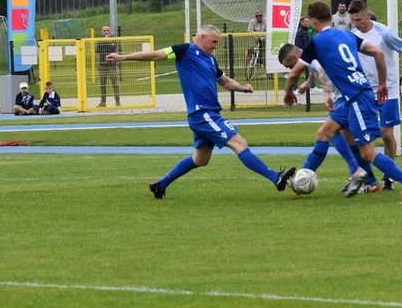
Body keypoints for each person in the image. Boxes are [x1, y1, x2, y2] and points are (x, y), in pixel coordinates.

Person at [106, 24, 296, 198]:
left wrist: (242, 88)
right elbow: (156, 55)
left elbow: (224, 80)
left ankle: (161, 185)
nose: (215, 46)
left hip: (205, 115)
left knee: (201, 159)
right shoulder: (184, 51)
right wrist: (123, 57)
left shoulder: (211, 60)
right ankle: (276, 177)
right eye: (213, 42)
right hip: (203, 113)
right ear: (202, 37)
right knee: (239, 143)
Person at [283, 1, 402, 204]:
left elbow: (294, 72)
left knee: (368, 152)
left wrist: (288, 92)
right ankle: (304, 181)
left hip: (358, 97)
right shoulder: (348, 35)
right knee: (325, 132)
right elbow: (377, 53)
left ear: (313, 22)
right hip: (353, 97)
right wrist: (383, 82)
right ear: (330, 18)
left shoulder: (316, 42)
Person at [349, 0, 402, 191]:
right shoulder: (352, 35)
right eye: (353, 20)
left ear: (368, 15)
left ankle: (389, 176)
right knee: (364, 137)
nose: (356, 23)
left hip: (388, 90)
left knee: (386, 135)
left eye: (359, 19)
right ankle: (367, 178)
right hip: (365, 91)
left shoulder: (384, 33)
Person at [278, 43, 379, 193]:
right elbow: (317, 66)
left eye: (290, 65)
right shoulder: (312, 54)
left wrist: (326, 94)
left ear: (294, 57)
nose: (291, 69)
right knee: (349, 138)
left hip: (346, 97)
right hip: (350, 95)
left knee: (325, 133)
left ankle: (304, 178)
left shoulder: (310, 58)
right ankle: (369, 180)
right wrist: (309, 81)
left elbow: (321, 69)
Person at [96, 25, 121, 107]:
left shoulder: (114, 39)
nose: (106, 32)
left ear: (110, 31)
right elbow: (98, 50)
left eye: (107, 30)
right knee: (102, 84)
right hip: (102, 64)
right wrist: (107, 43)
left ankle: (117, 101)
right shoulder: (99, 40)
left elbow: (113, 49)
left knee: (115, 83)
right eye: (104, 31)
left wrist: (107, 44)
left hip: (111, 65)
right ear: (102, 32)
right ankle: (103, 102)